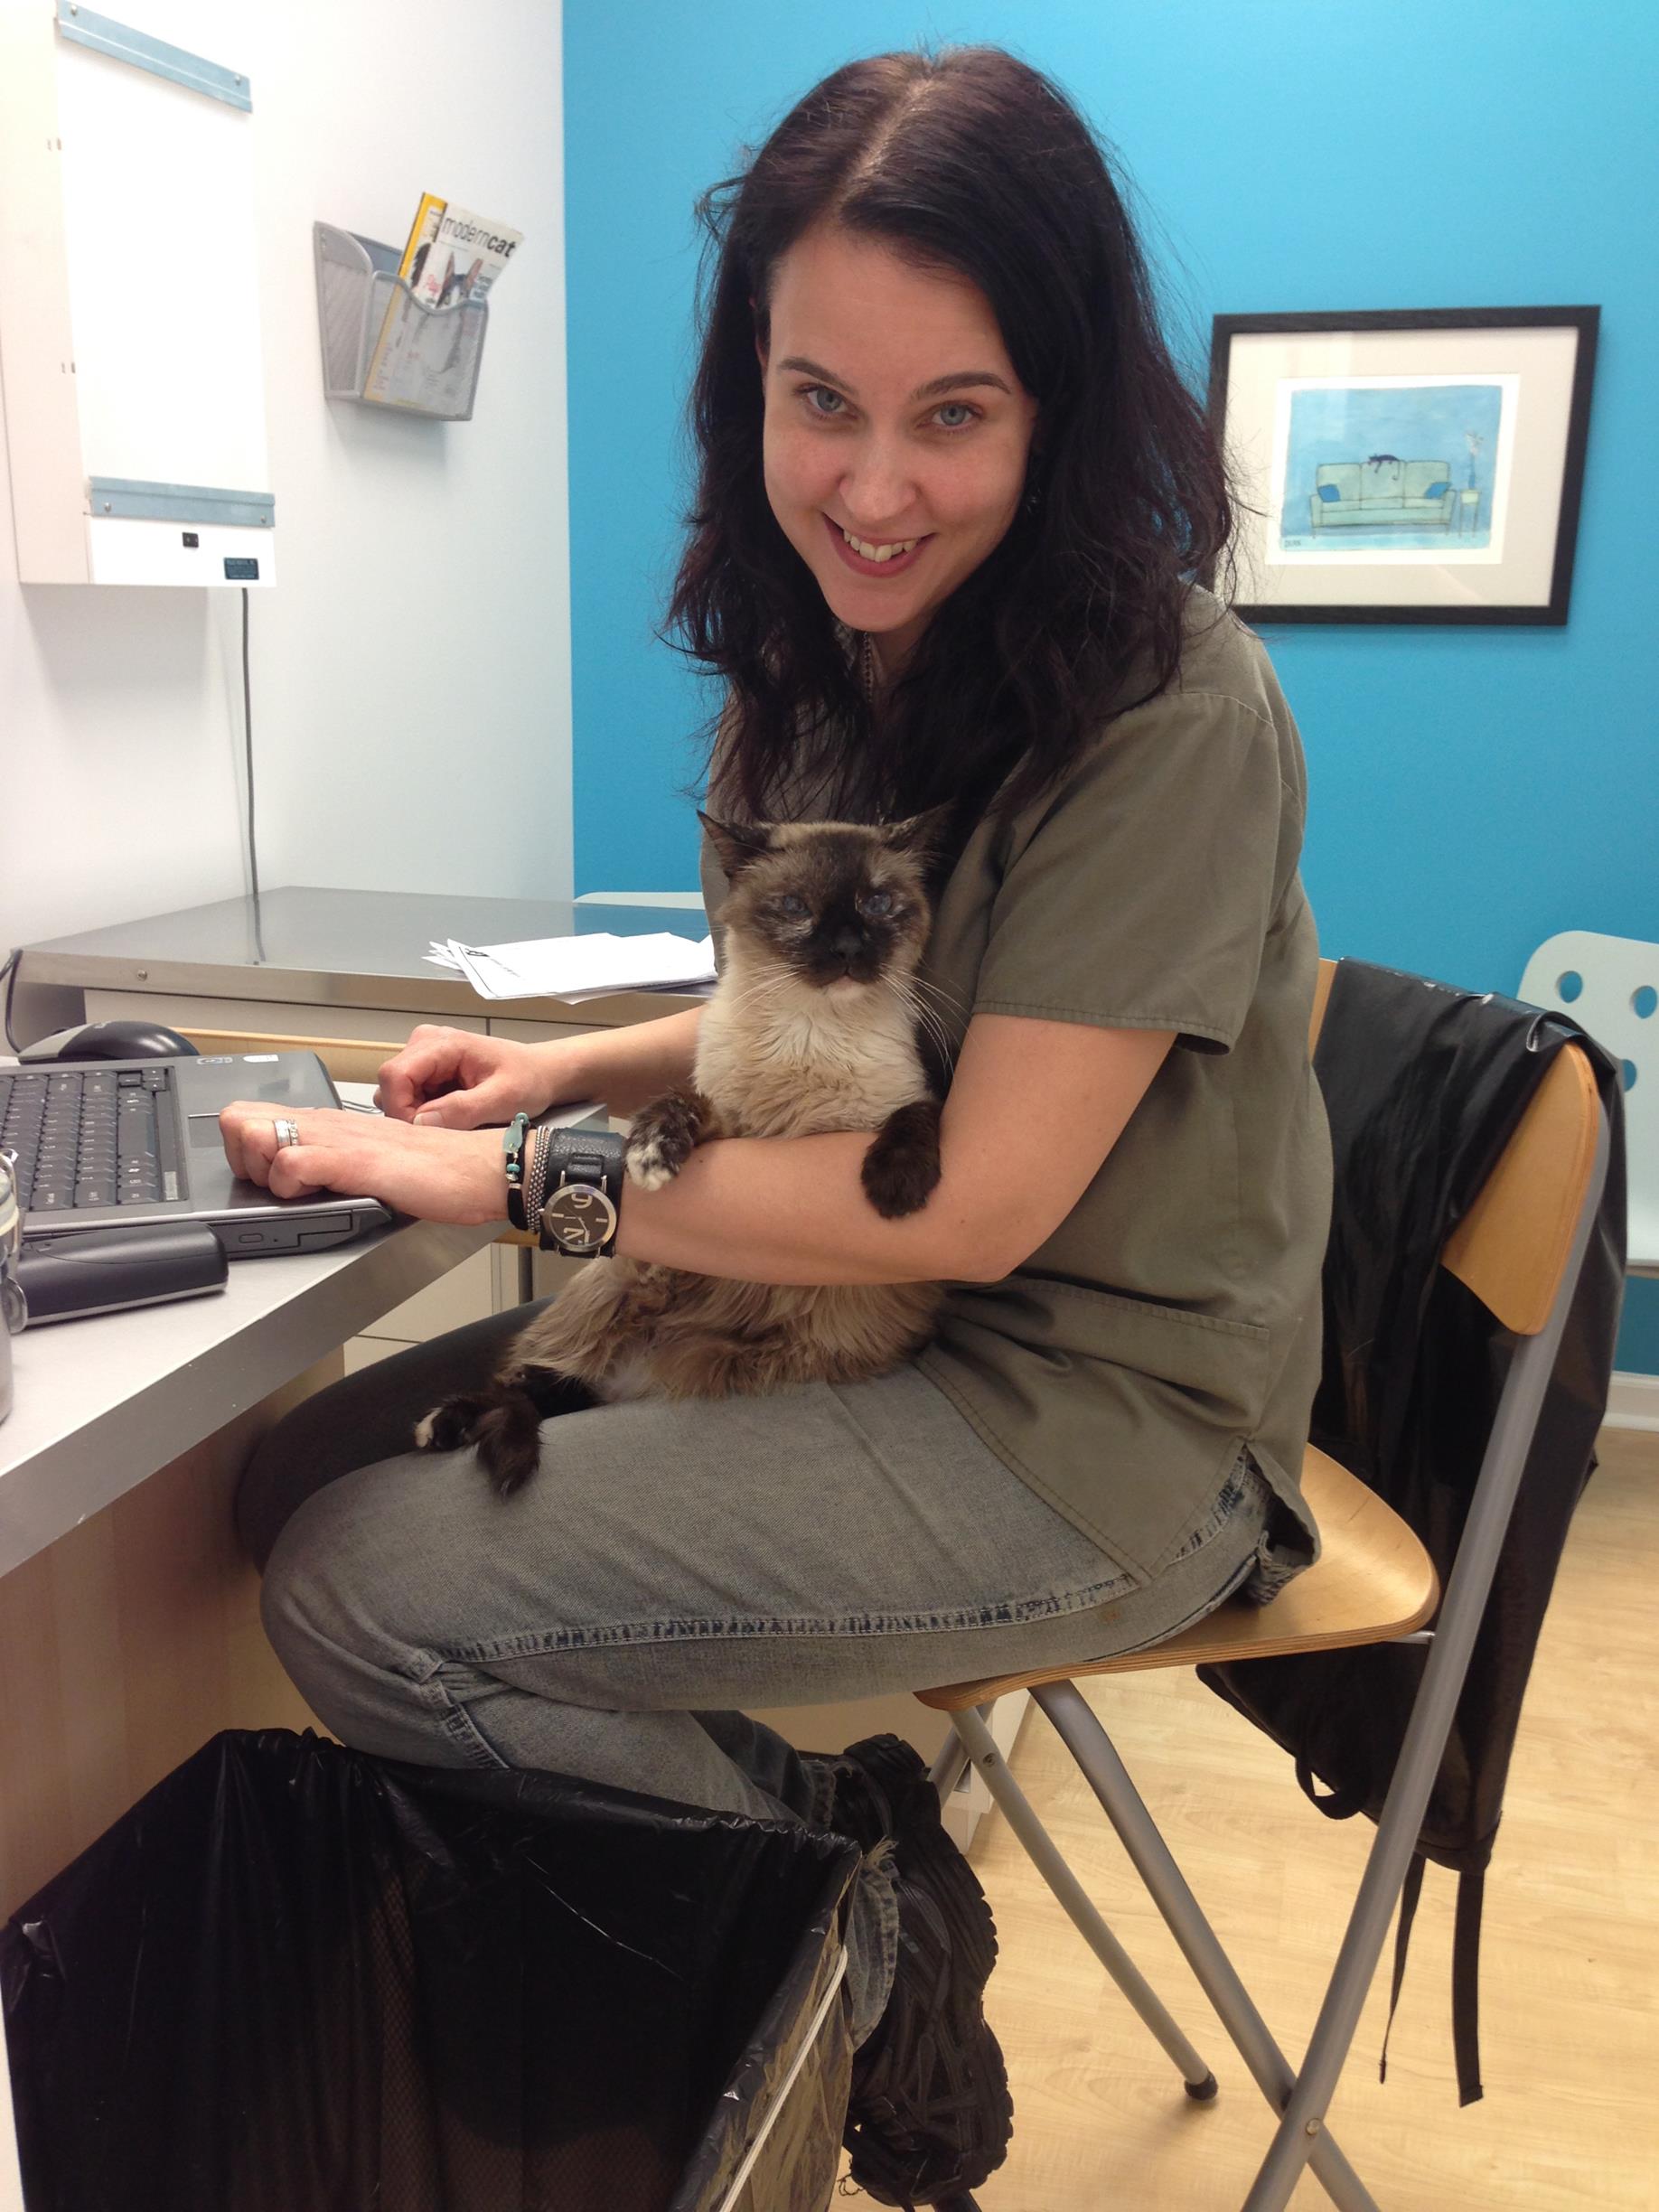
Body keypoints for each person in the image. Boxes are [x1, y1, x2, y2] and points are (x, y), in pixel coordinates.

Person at [227, 43, 1332, 2207]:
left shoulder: (1172, 707)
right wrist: (570, 1072)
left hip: (1092, 1428)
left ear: (1063, 409)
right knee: (290, 1473)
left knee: (362, 1584)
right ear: (750, 388)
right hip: (869, 1337)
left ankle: (840, 1908)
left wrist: (508, 1182)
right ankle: (762, 1876)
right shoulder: (846, 657)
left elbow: (976, 1201)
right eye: (823, 400)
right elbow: (805, 1021)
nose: (877, 487)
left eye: (957, 414)